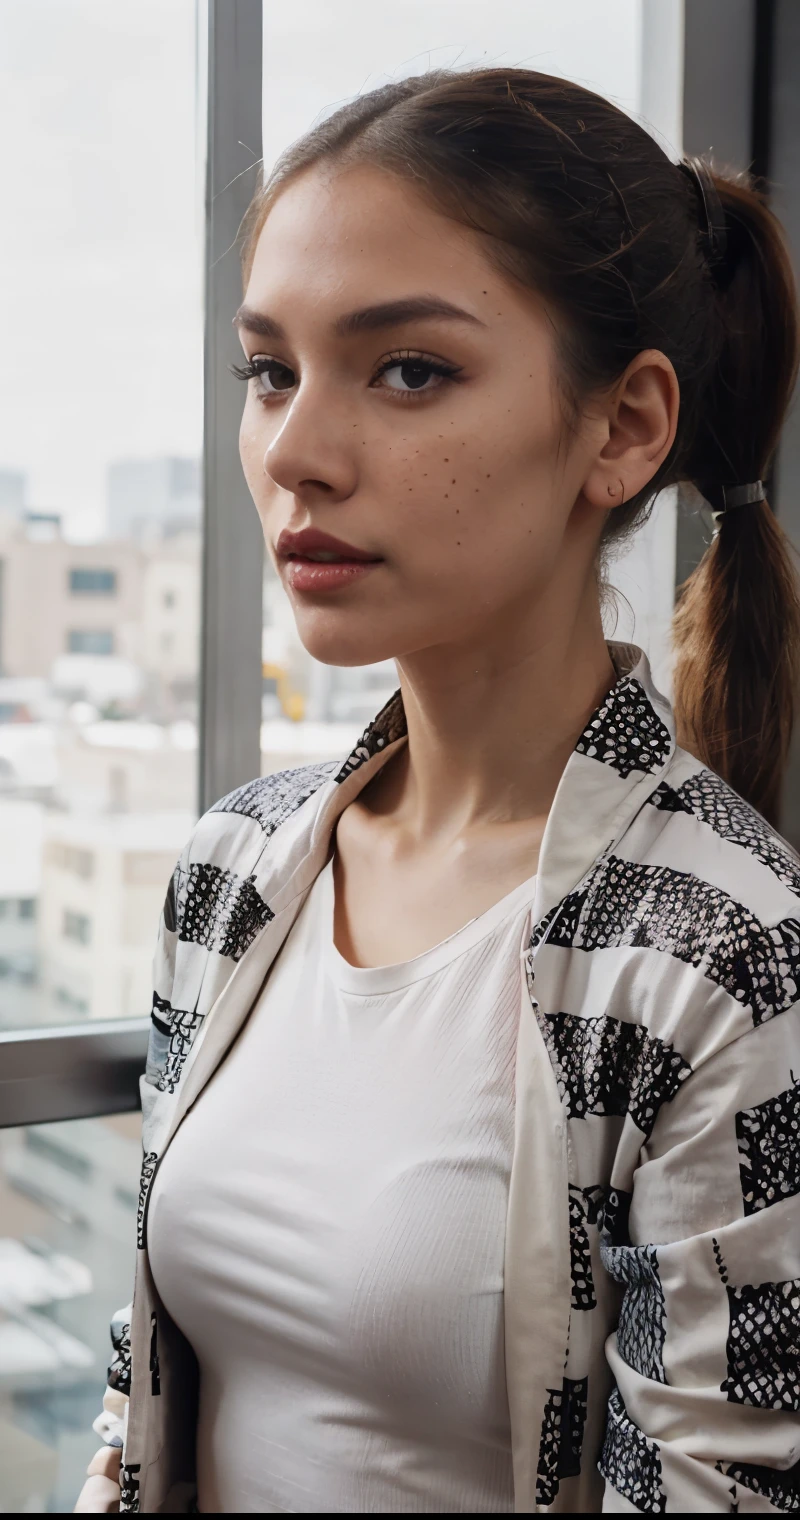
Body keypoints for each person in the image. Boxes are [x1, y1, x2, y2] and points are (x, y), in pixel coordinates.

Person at [75, 68, 800, 1515]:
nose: (294, 452)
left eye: (408, 370)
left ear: (623, 429)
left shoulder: (725, 955)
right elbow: (138, 1400)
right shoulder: (236, 868)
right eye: (268, 370)